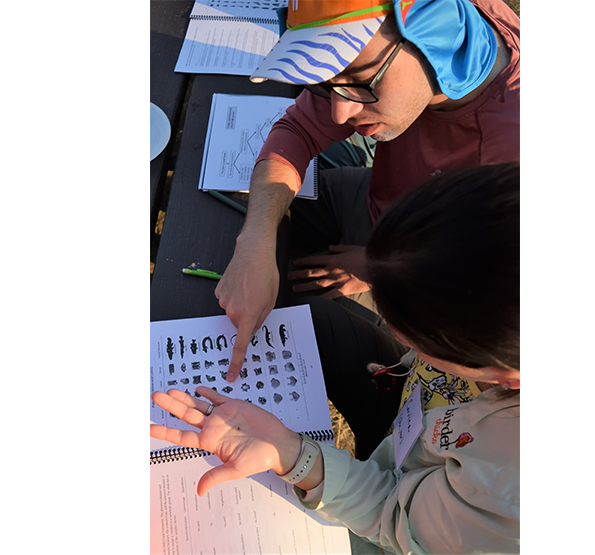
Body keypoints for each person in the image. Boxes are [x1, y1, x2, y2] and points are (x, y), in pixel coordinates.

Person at [152, 164, 520, 555]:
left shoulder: (507, 491)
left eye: (409, 328)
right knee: (317, 320)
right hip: (411, 405)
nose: (393, 329)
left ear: (504, 372)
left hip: (399, 523)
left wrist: (296, 458)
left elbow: (394, 514)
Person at [215, 0, 520, 381]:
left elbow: (488, 294)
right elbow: (297, 131)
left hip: (427, 277)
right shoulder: (443, 32)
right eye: (327, 83)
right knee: (231, 228)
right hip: (374, 201)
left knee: (302, 319)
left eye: (360, 82)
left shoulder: (514, 155)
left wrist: (378, 268)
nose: (339, 114)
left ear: (434, 40)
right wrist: (255, 243)